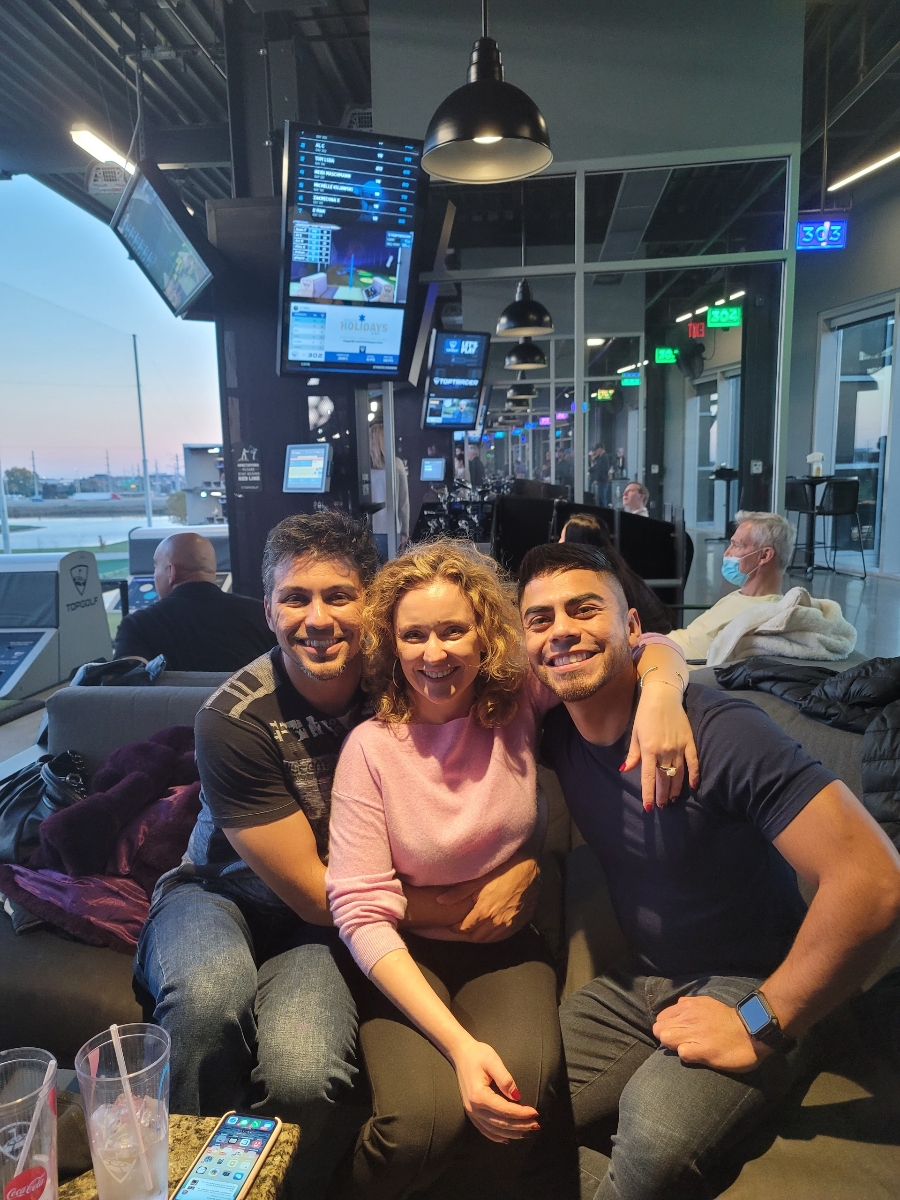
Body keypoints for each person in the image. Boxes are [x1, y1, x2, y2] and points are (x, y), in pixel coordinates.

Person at [517, 541, 900, 1200]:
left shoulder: (721, 732)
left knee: (655, 1144)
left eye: (584, 609)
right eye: (540, 618)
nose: (561, 631)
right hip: (644, 979)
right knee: (512, 1103)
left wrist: (763, 1020)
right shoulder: (556, 732)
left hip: (760, 981)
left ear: (630, 626)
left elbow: (874, 878)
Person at [325, 540, 693, 1199]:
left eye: (453, 630)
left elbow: (652, 643)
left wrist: (662, 696)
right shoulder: (370, 750)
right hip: (404, 959)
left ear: (486, 633)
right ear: (390, 643)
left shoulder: (519, 698)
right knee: (417, 1128)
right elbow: (360, 910)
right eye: (414, 635)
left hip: (507, 948)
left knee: (521, 1098)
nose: (434, 654)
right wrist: (461, 1048)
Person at [114, 532, 276, 671]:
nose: (154, 575)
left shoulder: (137, 625)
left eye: (156, 567)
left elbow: (126, 687)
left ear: (171, 572)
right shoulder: (264, 615)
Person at [667, 511, 793, 662]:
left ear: (764, 556)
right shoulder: (740, 596)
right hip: (662, 648)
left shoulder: (762, 614)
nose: (726, 553)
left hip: (670, 665)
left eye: (736, 545)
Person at [560, 513, 671, 634]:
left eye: (562, 538)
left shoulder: (598, 580)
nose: (559, 543)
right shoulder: (618, 572)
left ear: (573, 543)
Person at [369, 423, 410, 562]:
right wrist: (405, 529)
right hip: (392, 528)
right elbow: (403, 502)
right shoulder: (396, 464)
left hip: (371, 529)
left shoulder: (364, 467)